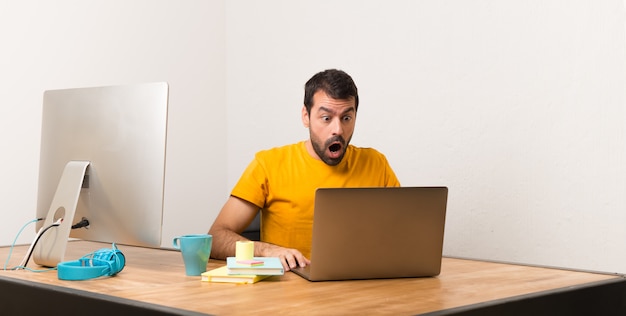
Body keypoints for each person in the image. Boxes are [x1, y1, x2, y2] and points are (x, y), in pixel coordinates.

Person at [208, 69, 400, 271]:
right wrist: (266, 251)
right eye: (326, 118)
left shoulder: (376, 164)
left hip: (361, 286)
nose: (338, 130)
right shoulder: (269, 164)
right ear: (306, 116)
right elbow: (216, 238)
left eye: (346, 118)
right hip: (290, 291)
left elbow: (404, 234)